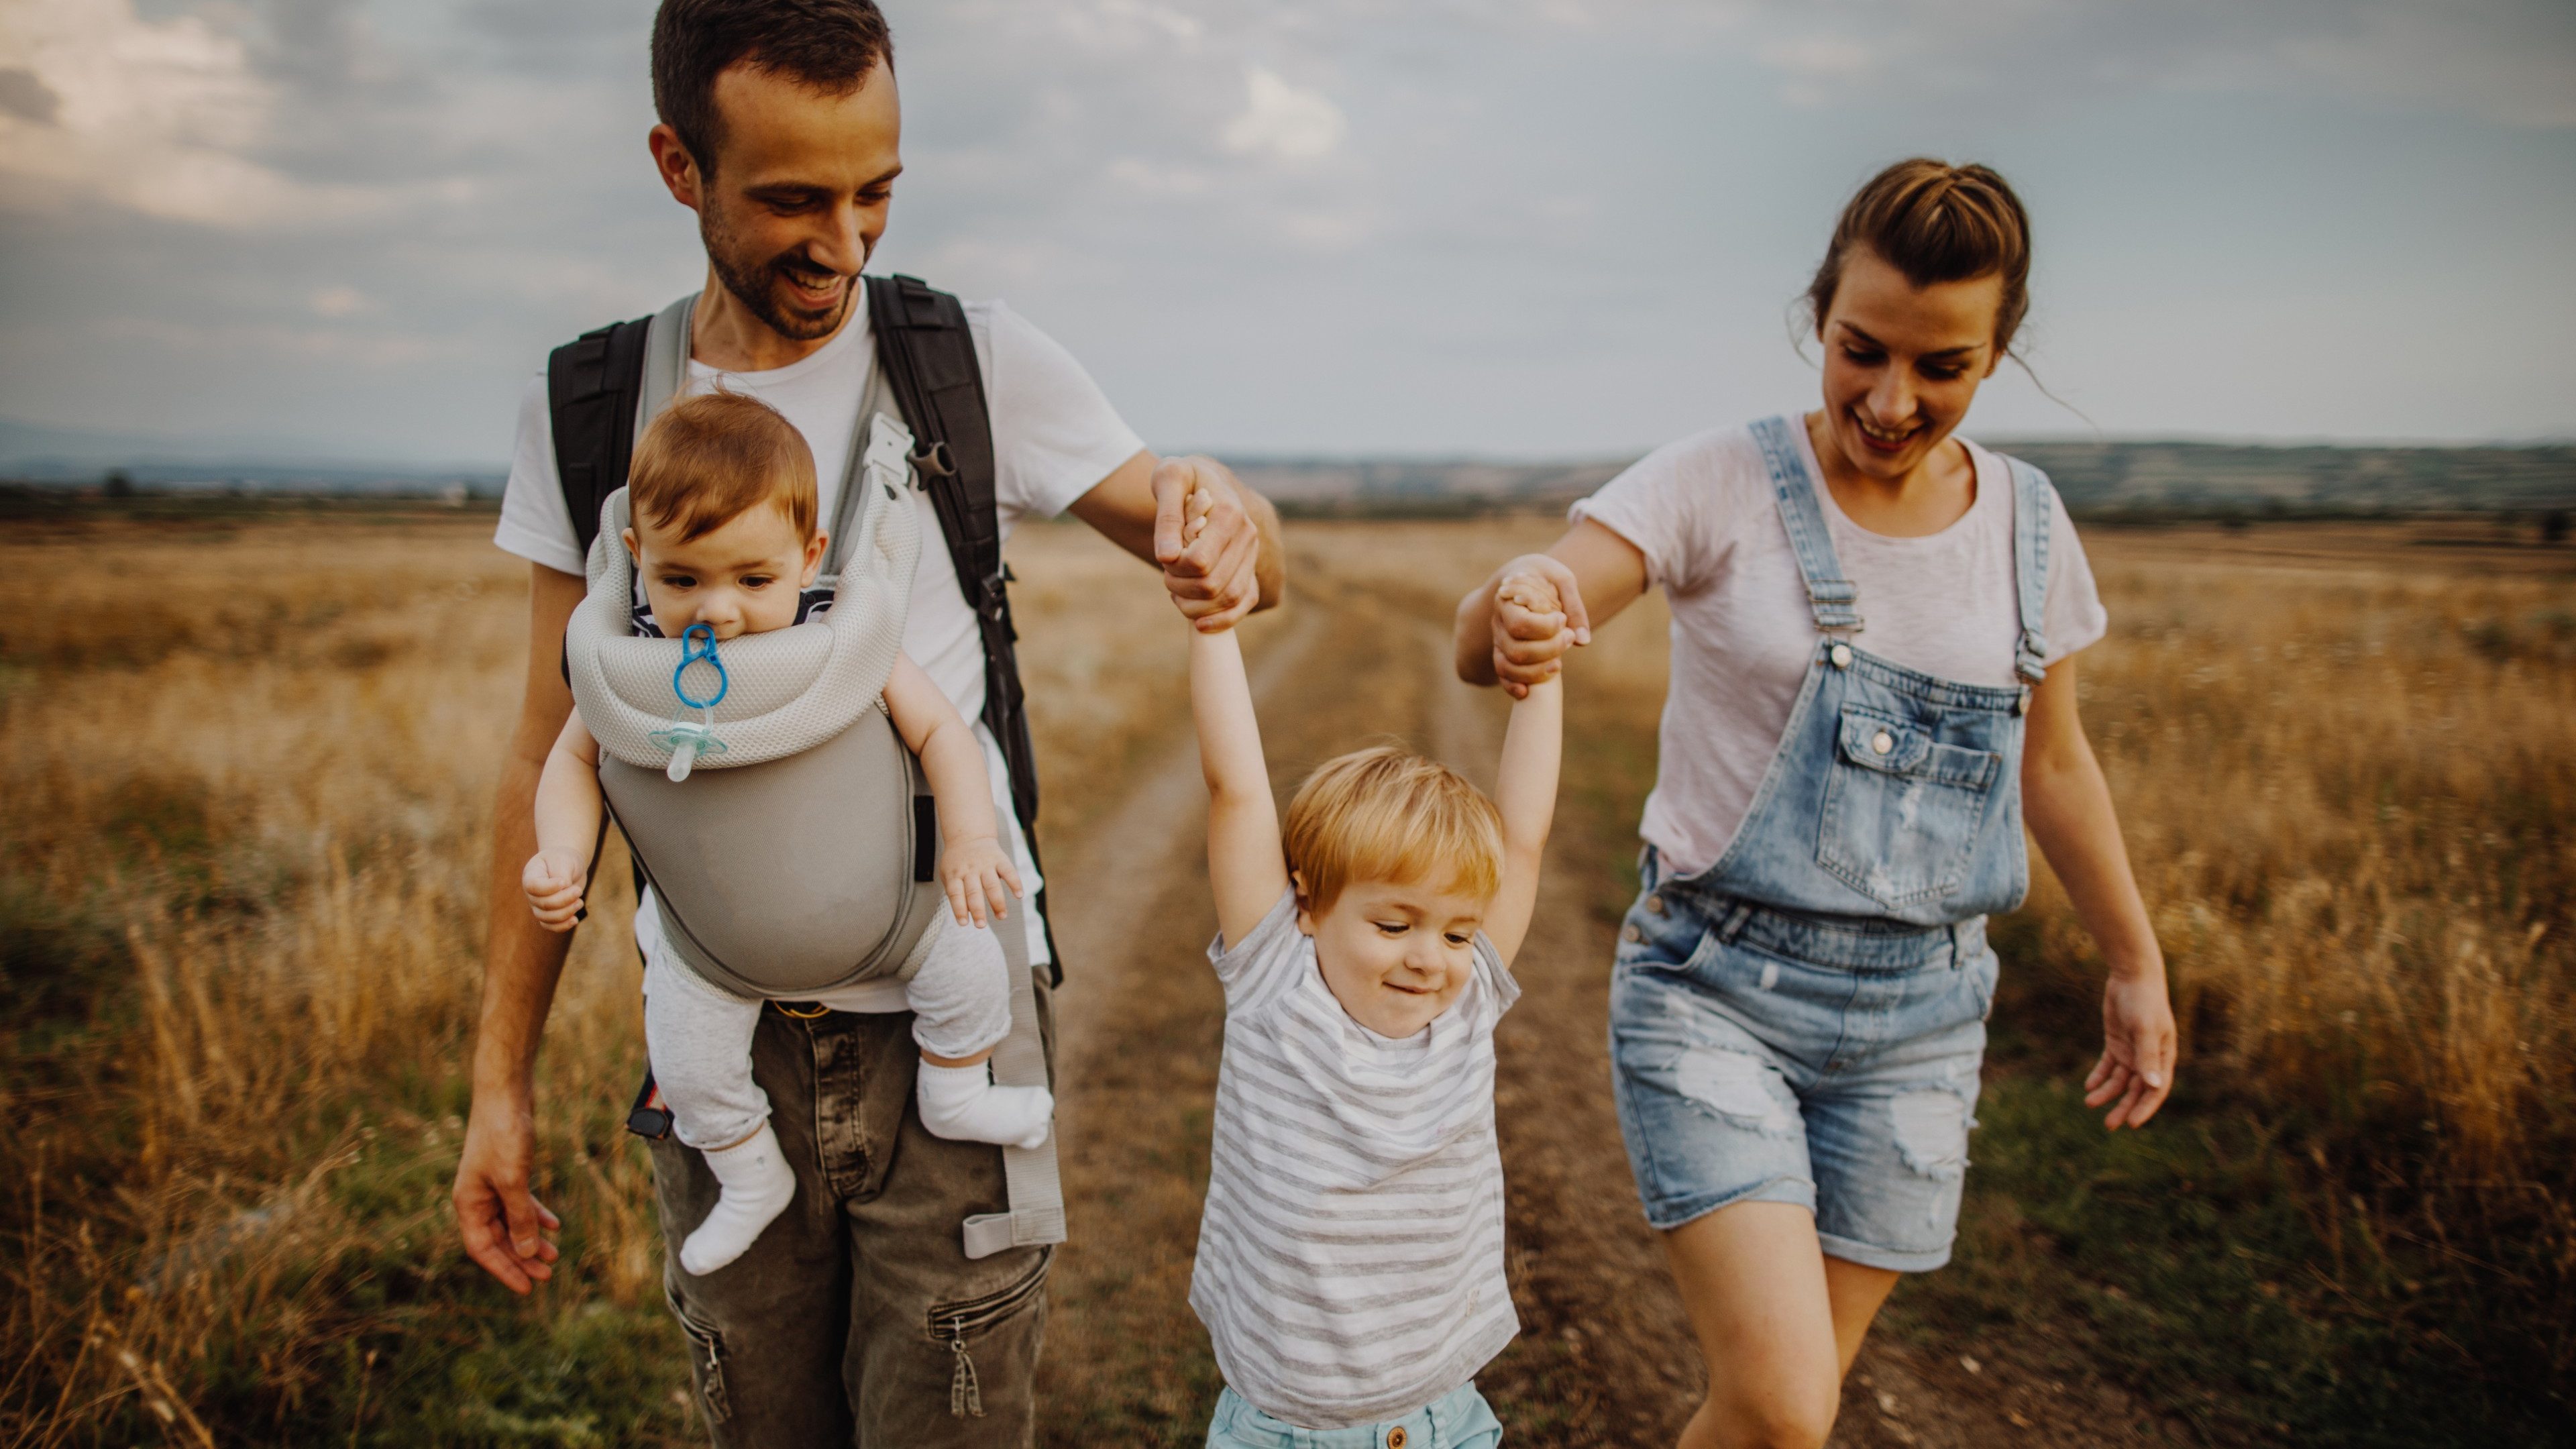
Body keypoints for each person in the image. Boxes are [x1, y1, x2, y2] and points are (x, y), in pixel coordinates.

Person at [449, 1, 1283, 1442]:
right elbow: (547, 744)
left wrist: (1232, 520)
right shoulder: (590, 407)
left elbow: (1232, 554)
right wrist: (497, 1082)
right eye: (791, 199)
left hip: (953, 1029)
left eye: (876, 192)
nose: (844, 242)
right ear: (677, 165)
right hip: (715, 1042)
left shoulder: (974, 361)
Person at [1452, 159, 2178, 1449]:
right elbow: (1522, 606)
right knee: (1788, 1408)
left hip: (1925, 1022)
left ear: (1995, 355)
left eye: (1941, 368)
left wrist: (2135, 959)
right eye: (1862, 350)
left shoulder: (2030, 524)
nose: (1891, 401)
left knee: (1779, 1416)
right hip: (1716, 989)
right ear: (1819, 314)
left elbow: (2052, 761)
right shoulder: (1718, 482)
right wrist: (1516, 603)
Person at [522, 391, 1053, 1278]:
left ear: (810, 558)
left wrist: (966, 839)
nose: (715, 611)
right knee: (686, 1063)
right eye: (681, 579)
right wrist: (562, 856)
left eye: (753, 580)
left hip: (895, 917)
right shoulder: (632, 667)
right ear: (635, 557)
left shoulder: (843, 637)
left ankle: (957, 1088)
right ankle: (748, 1173)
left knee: (970, 961)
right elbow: (572, 761)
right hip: (713, 946)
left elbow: (941, 734)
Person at [1181, 488, 1566, 1449]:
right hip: (1282, 1428)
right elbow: (1235, 791)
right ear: (1307, 905)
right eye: (1393, 923)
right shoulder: (1277, 982)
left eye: (1453, 932)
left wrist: (1544, 678)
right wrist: (1213, 625)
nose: (1429, 959)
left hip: (1437, 1421)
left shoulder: (1469, 1001)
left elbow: (1521, 845)